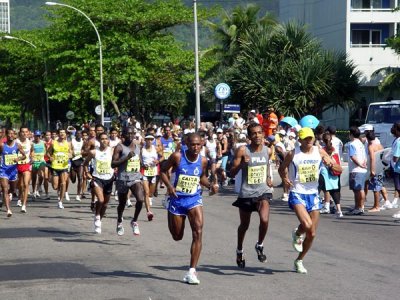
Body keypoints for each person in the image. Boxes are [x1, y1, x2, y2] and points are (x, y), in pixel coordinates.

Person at [278, 127, 341, 274]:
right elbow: (282, 169)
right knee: (307, 224)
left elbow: (339, 169)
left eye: (310, 138)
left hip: (313, 194)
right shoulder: (293, 154)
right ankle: (299, 232)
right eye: (305, 138)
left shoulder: (319, 151)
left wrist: (330, 163)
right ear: (299, 140)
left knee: (312, 233)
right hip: (297, 193)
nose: (308, 141)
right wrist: (285, 179)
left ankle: (299, 260)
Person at [160, 133, 218, 285]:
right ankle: (169, 208)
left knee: (198, 231)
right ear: (187, 143)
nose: (196, 147)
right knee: (177, 236)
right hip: (177, 200)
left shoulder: (203, 160)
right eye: (193, 144)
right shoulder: (177, 157)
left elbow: (201, 178)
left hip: (194, 199)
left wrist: (211, 185)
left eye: (199, 144)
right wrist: (169, 186)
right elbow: (163, 170)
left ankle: (192, 271)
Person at [230, 123, 273, 268]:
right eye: (254, 133)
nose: (257, 136)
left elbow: (267, 166)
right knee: (244, 225)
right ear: (249, 136)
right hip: (247, 193)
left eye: (260, 132)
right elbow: (232, 173)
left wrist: (268, 177)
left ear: (263, 134)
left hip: (263, 191)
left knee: (265, 219)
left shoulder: (268, 150)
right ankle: (239, 250)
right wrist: (242, 164)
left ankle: (260, 245)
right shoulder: (243, 150)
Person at [112, 127, 145, 236]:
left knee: (140, 199)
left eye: (132, 134)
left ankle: (134, 221)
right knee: (122, 203)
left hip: (135, 177)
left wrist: (143, 164)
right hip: (123, 178)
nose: (130, 136)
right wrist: (126, 158)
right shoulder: (119, 147)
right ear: (123, 135)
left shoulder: (137, 146)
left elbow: (139, 159)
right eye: (128, 134)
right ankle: (119, 221)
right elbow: (113, 164)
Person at [83, 132, 114, 234]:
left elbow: (117, 162)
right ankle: (96, 216)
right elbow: (85, 163)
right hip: (97, 178)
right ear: (98, 140)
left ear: (108, 140)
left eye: (106, 139)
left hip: (109, 179)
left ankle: (99, 220)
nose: (104, 141)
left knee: (105, 204)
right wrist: (87, 172)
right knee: (100, 200)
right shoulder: (93, 152)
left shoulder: (112, 151)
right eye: (102, 139)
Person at [0, 129, 26, 217]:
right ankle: (8, 210)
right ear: (6, 135)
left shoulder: (17, 145)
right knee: (5, 189)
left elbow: (24, 156)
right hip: (4, 170)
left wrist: (18, 159)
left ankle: (10, 194)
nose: (11, 135)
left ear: (14, 135)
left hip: (13, 171)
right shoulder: (2, 146)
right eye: (9, 134)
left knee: (13, 189)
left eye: (12, 134)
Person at [47, 128, 72, 209]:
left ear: (65, 134)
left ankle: (60, 201)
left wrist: (70, 155)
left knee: (63, 183)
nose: (62, 134)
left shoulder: (68, 144)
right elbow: (47, 152)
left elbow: (71, 152)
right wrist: (50, 157)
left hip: (64, 166)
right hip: (55, 166)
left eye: (63, 132)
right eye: (60, 132)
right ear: (58, 134)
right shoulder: (54, 143)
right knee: (55, 186)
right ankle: (58, 189)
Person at [346, 126, 368, 215]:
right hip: (362, 169)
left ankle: (359, 207)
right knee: (360, 189)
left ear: (351, 134)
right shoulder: (360, 143)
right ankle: (359, 207)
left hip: (356, 169)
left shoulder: (352, 144)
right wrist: (363, 164)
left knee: (357, 190)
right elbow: (365, 156)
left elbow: (353, 156)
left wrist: (359, 164)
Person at [366, 130, 389, 212]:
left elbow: (372, 158)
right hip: (381, 168)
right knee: (379, 186)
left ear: (367, 139)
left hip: (375, 168)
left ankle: (376, 206)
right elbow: (385, 156)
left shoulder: (371, 146)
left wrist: (372, 170)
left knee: (376, 188)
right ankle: (377, 205)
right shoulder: (380, 145)